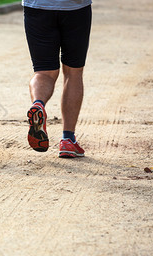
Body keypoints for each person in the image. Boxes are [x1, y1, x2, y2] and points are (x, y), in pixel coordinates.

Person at [22, 0, 92, 158]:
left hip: (37, 8)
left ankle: (38, 105)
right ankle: (68, 139)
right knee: (73, 72)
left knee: (43, 72)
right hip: (75, 7)